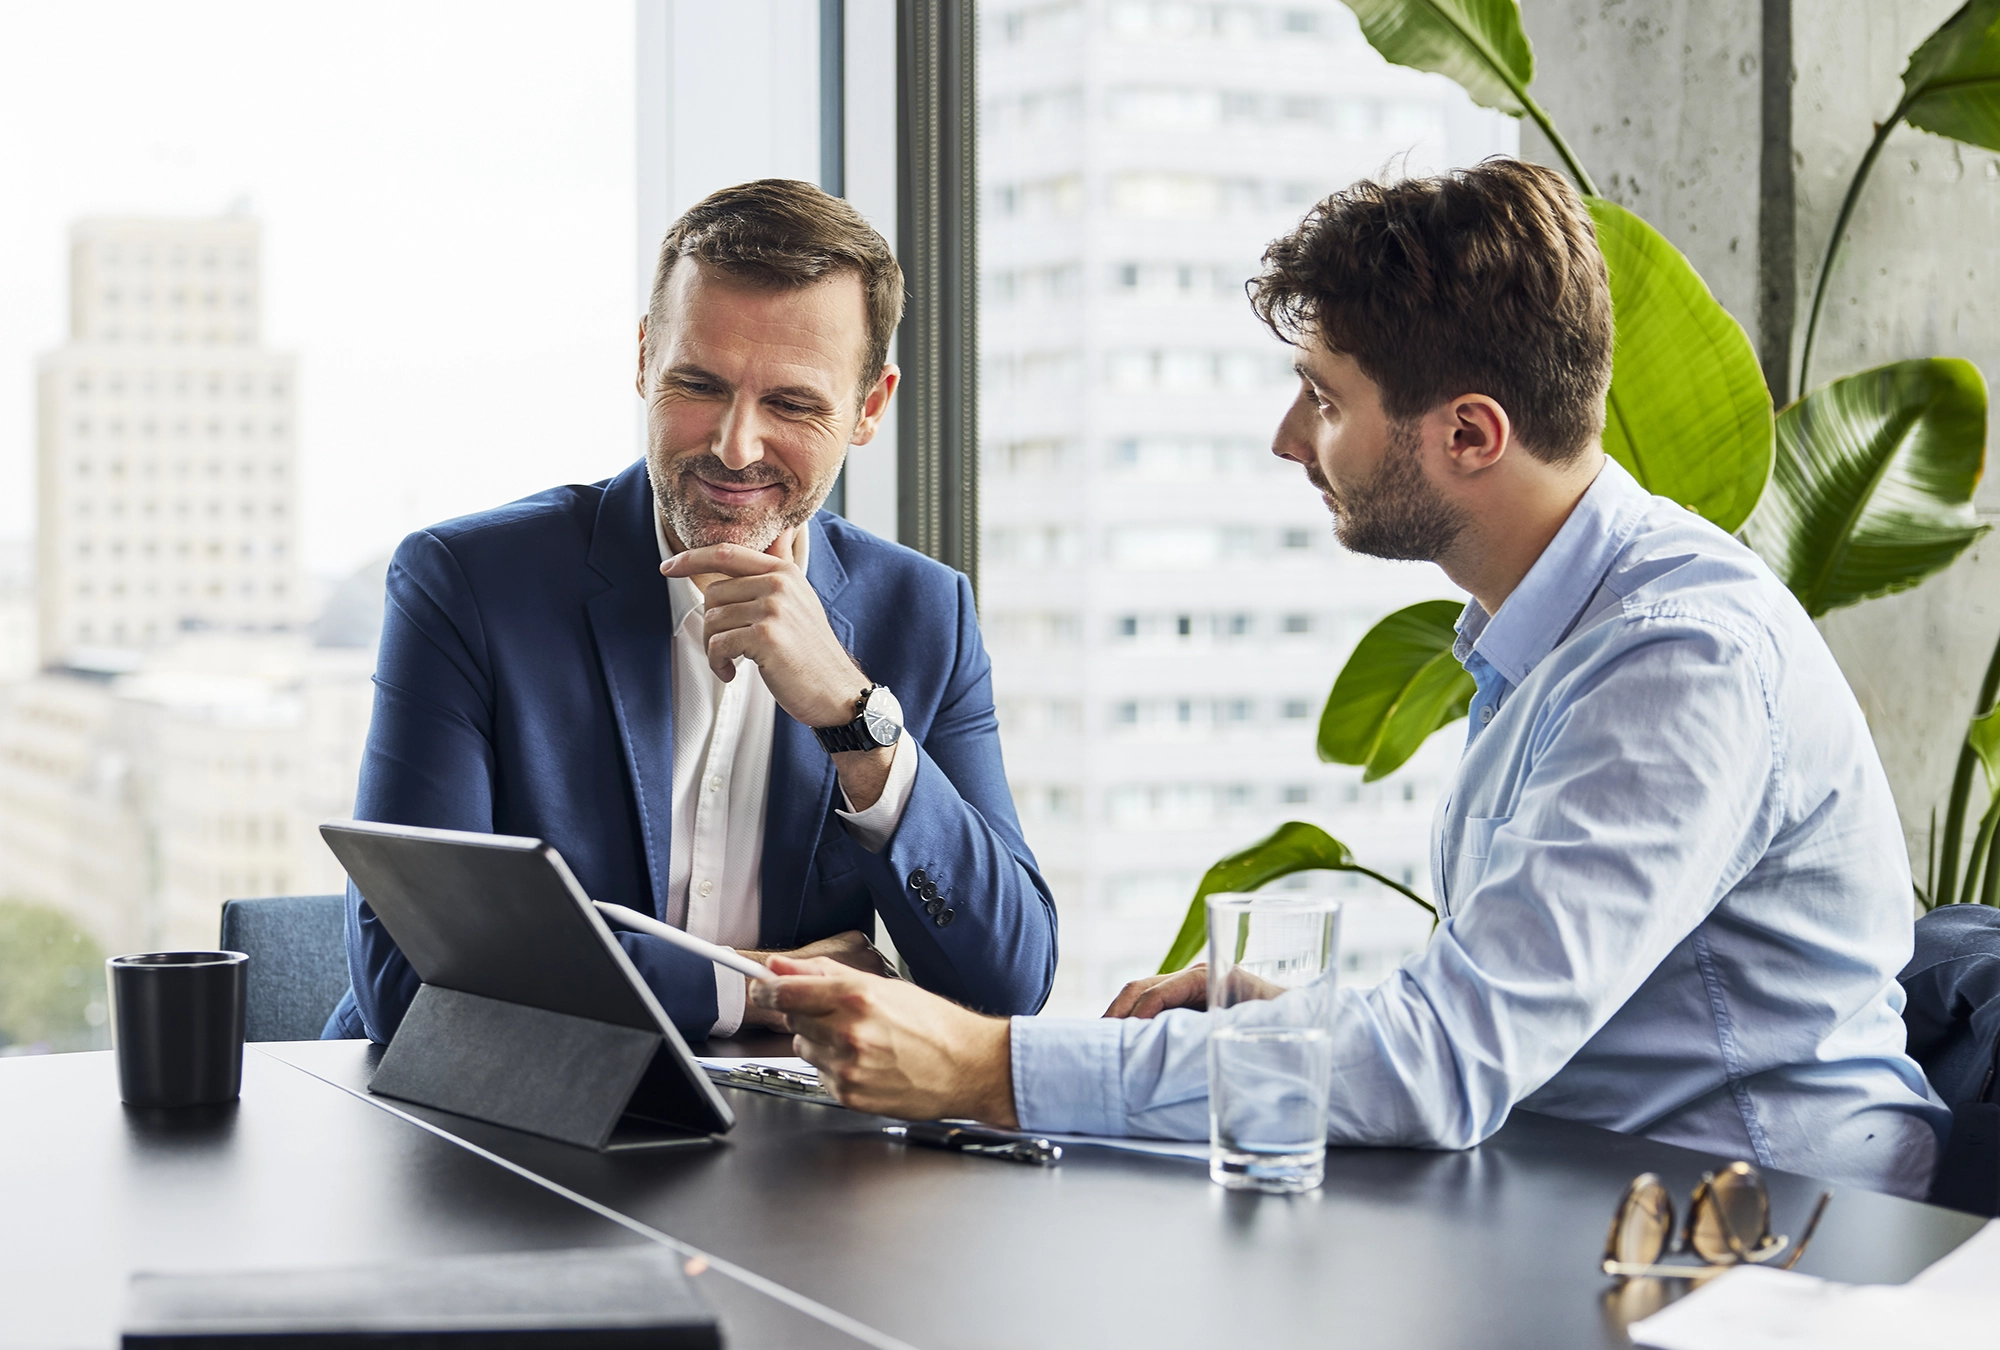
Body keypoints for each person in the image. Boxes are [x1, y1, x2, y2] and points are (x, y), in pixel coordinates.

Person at [752, 158, 1949, 1199]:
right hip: (1584, 1196)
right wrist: (1284, 1026)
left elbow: (1445, 1065)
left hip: (1756, 1256)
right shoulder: (1552, 632)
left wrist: (982, 1067)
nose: (1287, 438)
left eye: (1324, 398)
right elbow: (1527, 1023)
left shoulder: (1679, 665)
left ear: (1470, 436)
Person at [324, 179, 1056, 1044]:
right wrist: (761, 988)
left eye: (791, 403)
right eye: (700, 385)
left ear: (869, 408)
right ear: (643, 360)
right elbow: (409, 982)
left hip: (791, 1154)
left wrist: (853, 720)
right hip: (487, 1139)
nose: (734, 446)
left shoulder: (925, 613)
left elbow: (1009, 978)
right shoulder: (467, 585)